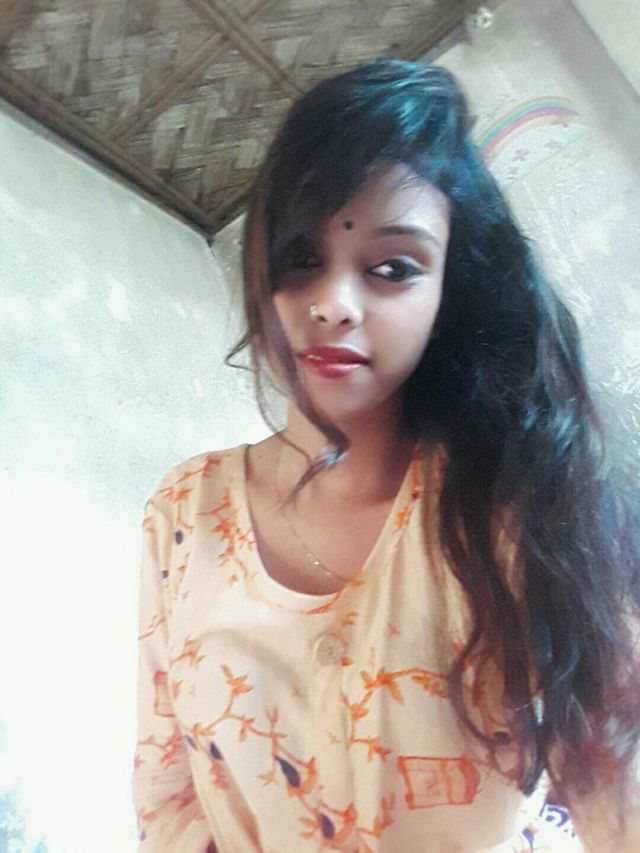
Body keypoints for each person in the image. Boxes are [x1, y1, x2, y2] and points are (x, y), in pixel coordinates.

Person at [132, 61, 640, 852]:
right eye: (301, 258)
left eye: (393, 268)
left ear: (447, 290)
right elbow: (168, 797)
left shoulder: (513, 503)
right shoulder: (184, 512)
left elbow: (616, 766)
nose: (334, 303)